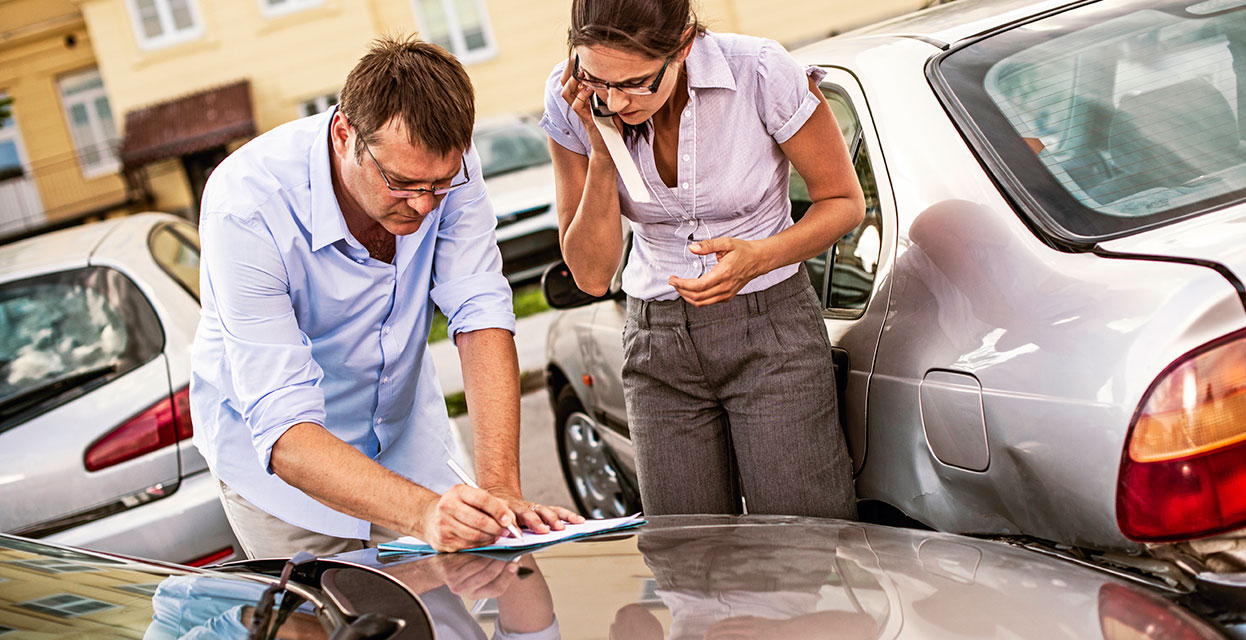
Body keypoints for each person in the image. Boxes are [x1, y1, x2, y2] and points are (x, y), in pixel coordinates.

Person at [190, 34, 581, 559]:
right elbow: (284, 427)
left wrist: (500, 489)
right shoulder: (245, 207)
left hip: (404, 434)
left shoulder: (445, 165)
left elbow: (480, 311)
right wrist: (422, 514)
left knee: (464, 596)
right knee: (327, 620)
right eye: (401, 183)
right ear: (344, 133)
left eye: (438, 186)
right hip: (288, 474)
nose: (423, 207)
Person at [540, 0, 865, 518]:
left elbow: (844, 203)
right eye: (598, 80)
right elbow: (592, 274)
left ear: (684, 45)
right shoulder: (575, 99)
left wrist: (760, 257)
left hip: (771, 330)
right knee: (689, 558)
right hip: (657, 346)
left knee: (806, 545)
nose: (615, 101)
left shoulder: (759, 70)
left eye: (636, 83)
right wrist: (603, 150)